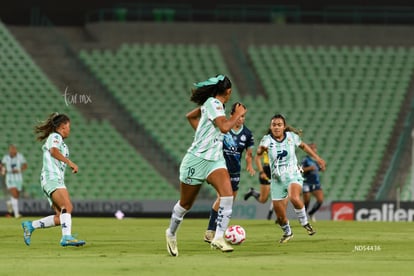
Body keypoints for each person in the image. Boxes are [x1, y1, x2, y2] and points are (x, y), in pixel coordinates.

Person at [165, 74, 246, 256]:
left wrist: (205, 134)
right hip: (196, 159)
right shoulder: (214, 103)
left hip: (215, 160)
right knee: (186, 204)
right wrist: (238, 115)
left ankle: (218, 237)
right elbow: (225, 128)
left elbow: (191, 117)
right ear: (228, 91)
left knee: (227, 196)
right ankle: (170, 233)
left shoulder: (213, 105)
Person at [254, 114, 326, 243]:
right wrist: (260, 151)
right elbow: (260, 150)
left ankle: (305, 222)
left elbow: (303, 146)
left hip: (293, 173)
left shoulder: (292, 137)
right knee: (280, 216)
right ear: (271, 127)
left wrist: (317, 158)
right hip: (277, 179)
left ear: (284, 127)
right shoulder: (267, 139)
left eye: (279, 125)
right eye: (274, 125)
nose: (276, 127)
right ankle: (288, 232)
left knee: (294, 197)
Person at [21, 112, 85, 247]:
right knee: (67, 207)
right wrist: (70, 163)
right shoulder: (55, 136)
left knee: (60, 217)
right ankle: (66, 237)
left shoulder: (60, 141)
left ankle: (30, 225)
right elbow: (53, 151)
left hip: (52, 179)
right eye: (68, 126)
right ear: (62, 126)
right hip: (52, 178)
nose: (69, 130)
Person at [203, 102, 255, 243]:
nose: (241, 119)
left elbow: (249, 153)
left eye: (243, 116)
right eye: (239, 116)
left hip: (235, 171)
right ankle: (211, 232)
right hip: (221, 168)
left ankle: (218, 231)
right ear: (232, 115)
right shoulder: (224, 128)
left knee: (229, 202)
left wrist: (249, 165)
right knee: (222, 198)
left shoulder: (247, 134)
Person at [243, 151, 274, 219]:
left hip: (279, 169)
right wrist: (262, 172)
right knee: (263, 200)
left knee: (279, 193)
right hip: (267, 170)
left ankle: (279, 216)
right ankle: (252, 192)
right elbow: (257, 158)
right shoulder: (266, 144)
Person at [2, 144, 27, 218]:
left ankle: (10, 203)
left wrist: (19, 170)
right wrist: (4, 171)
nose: (13, 150)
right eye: (11, 149)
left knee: (16, 195)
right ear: (9, 150)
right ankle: (16, 214)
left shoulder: (20, 156)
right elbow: (2, 166)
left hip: (18, 178)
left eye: (14, 149)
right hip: (9, 178)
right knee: (14, 193)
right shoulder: (6, 157)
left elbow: (25, 165)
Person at [301, 143, 324, 222]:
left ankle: (311, 213)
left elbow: (320, 169)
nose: (313, 149)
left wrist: (322, 167)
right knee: (307, 200)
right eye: (311, 148)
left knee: (320, 200)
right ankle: (303, 217)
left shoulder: (317, 159)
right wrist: (309, 168)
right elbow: (301, 170)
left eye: (314, 148)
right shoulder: (305, 159)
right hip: (307, 182)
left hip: (316, 182)